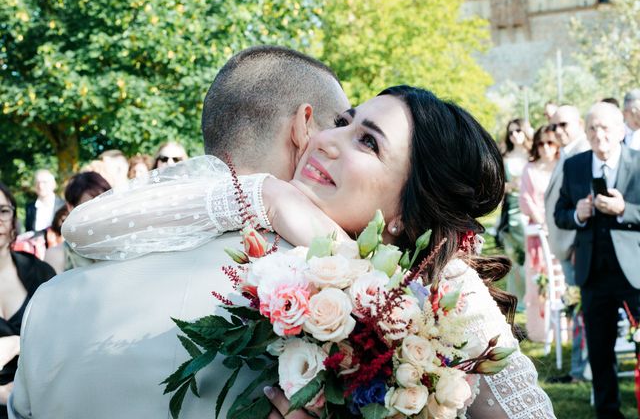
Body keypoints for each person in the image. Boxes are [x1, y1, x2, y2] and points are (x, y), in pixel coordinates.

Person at [35, 87, 553, 418]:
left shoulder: (447, 296)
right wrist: (267, 194)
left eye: (368, 142)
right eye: (345, 122)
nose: (327, 140)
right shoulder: (270, 232)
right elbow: (84, 228)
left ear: (406, 212)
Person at [8, 45, 351, 419]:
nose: (344, 147)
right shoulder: (321, 302)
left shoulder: (49, 302)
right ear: (303, 127)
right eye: (340, 126)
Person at [555, 102, 640, 418]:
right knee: (601, 352)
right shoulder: (574, 165)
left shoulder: (639, 162)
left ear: (620, 130)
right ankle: (608, 413)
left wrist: (625, 210)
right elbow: (559, 213)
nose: (598, 134)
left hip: (636, 272)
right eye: (591, 128)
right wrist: (576, 213)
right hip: (592, 274)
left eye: (604, 127)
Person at [543, 104, 591, 383]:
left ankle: (581, 371)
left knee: (579, 307)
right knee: (576, 307)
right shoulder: (567, 153)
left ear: (580, 123)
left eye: (564, 125)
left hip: (576, 248)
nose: (558, 131)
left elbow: (584, 205)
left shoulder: (583, 153)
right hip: (567, 246)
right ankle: (579, 368)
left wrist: (576, 246)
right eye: (554, 126)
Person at [0, 183, 55, 419]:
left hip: (40, 404)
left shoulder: (41, 274)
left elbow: (66, 337)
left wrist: (17, 342)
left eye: (3, 210)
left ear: (13, 218)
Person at [519, 125, 559, 342]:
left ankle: (564, 328)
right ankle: (540, 330)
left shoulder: (561, 166)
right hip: (538, 230)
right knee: (539, 278)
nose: (545, 148)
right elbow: (525, 199)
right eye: (541, 143)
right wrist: (542, 220)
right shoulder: (530, 169)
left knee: (560, 279)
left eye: (550, 143)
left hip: (560, 226)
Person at [43, 172, 112, 273]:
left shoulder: (123, 246)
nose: (98, 212)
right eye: (89, 206)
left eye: (102, 204)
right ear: (71, 207)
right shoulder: (57, 256)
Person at [497, 118, 531, 312]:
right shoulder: (505, 156)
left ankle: (533, 295)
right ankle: (517, 297)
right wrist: (511, 186)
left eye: (518, 131)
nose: (515, 135)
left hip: (530, 210)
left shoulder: (533, 153)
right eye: (511, 132)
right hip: (511, 211)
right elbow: (499, 185)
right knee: (514, 256)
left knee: (531, 255)